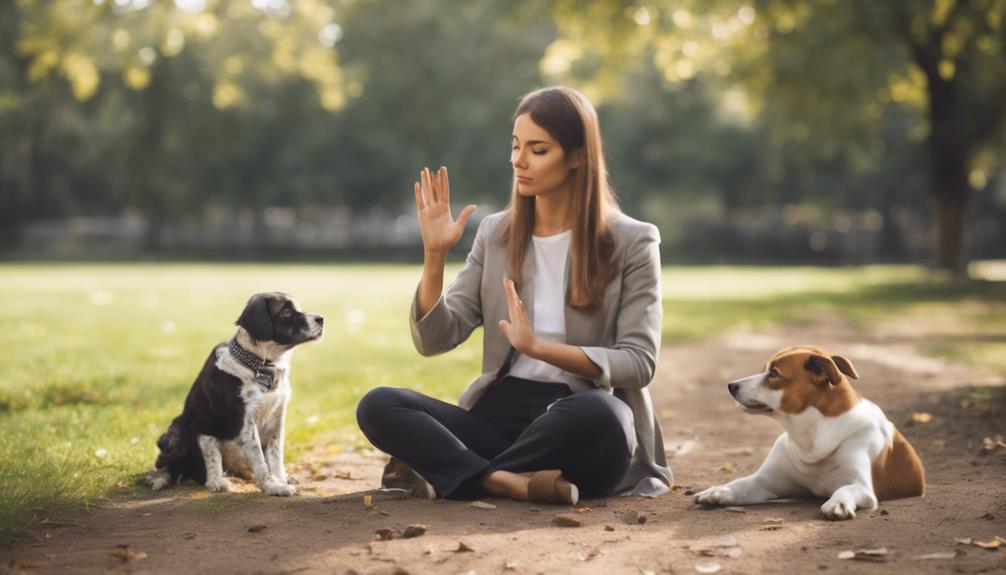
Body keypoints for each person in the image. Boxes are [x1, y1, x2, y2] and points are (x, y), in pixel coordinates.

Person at [356, 87, 673, 505]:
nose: (518, 161)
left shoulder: (633, 241)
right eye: (515, 146)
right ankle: (501, 481)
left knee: (608, 416)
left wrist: (540, 348)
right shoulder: (496, 234)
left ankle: (455, 470)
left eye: (538, 149)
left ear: (578, 157)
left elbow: (639, 362)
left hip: (578, 413)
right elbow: (436, 339)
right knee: (379, 404)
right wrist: (435, 256)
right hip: (500, 414)